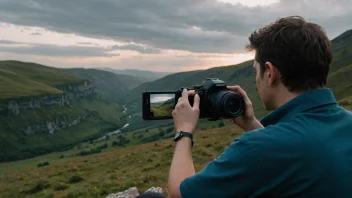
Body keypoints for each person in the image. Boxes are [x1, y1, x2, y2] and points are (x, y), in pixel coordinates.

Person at [168, 16, 352, 198]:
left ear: (270, 72)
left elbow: (180, 193)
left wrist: (184, 131)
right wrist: (252, 125)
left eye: (256, 71)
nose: (257, 80)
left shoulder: (258, 147)